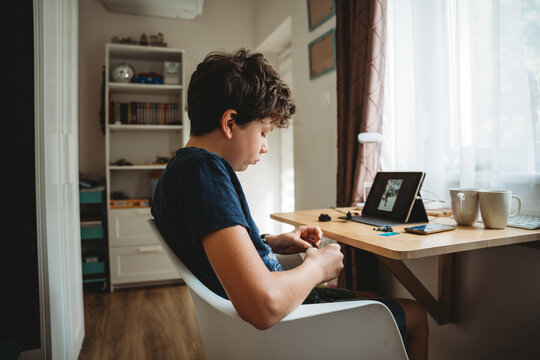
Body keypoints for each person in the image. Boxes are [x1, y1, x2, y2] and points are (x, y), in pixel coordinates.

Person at [151, 49, 429, 360]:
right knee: (414, 315)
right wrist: (317, 267)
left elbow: (205, 245)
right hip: (279, 328)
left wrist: (269, 242)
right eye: (264, 133)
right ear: (230, 123)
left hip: (255, 321)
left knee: (374, 299)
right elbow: (262, 306)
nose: (265, 147)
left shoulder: (178, 171)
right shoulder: (206, 173)